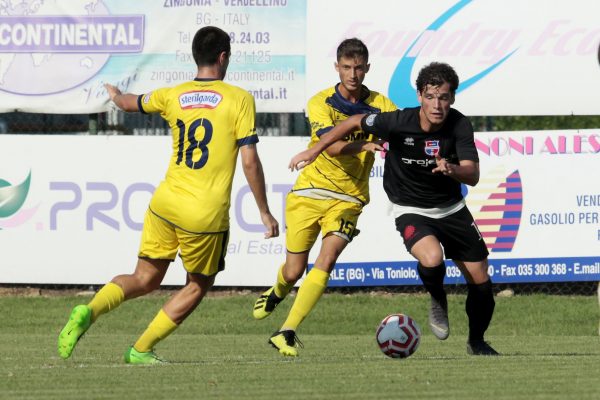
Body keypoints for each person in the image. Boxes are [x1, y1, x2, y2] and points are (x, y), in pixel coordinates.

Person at [57, 26, 279, 364]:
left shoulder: (173, 95)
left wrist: (116, 96)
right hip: (203, 214)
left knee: (143, 278)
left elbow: (132, 103)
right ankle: (141, 349)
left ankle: (88, 311)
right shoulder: (239, 99)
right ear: (223, 57)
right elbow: (249, 160)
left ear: (196, 57)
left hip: (165, 202)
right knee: (198, 284)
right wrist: (264, 211)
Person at [289, 62, 498, 356]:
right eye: (430, 96)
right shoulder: (398, 122)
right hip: (411, 208)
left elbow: (472, 175)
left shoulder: (460, 124)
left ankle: (477, 341)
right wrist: (313, 150)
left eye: (444, 97)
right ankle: (438, 299)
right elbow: (353, 122)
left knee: (482, 282)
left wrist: (451, 169)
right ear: (419, 96)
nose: (437, 104)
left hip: (451, 209)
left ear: (452, 98)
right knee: (432, 257)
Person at [252, 38, 397, 357]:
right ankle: (278, 290)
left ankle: (286, 331)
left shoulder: (381, 104)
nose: (353, 74)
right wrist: (362, 145)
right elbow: (328, 146)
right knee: (293, 272)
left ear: (367, 68)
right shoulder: (321, 102)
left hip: (349, 199)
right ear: (337, 68)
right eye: (346, 67)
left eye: (359, 67)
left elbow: (401, 129)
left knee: (327, 259)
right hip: (309, 192)